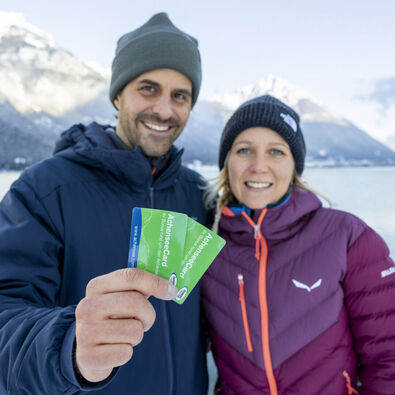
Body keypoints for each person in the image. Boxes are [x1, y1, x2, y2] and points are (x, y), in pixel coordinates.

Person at [0, 13, 208, 394]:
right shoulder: (46, 189)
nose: (164, 110)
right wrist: (69, 347)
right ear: (117, 95)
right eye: (148, 89)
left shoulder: (197, 195)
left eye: (180, 96)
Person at [201, 95, 395, 394]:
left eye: (276, 152)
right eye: (244, 150)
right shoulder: (206, 246)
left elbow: (388, 354)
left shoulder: (346, 236)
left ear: (295, 166)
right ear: (227, 162)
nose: (259, 166)